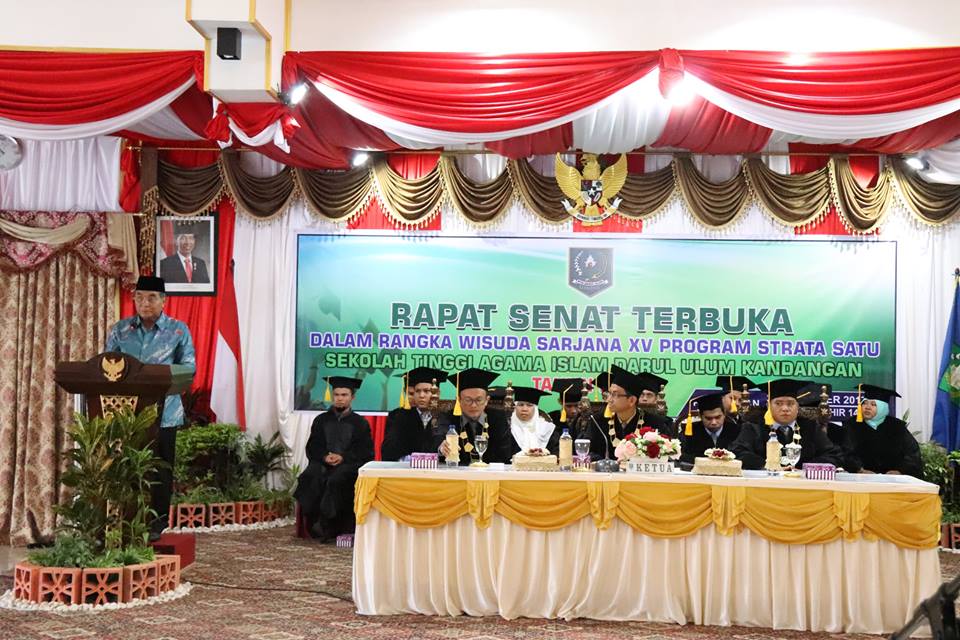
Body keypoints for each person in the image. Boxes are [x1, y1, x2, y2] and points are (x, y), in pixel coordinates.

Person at [105, 276, 196, 541]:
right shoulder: (120, 330)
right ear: (134, 300)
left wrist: (158, 379)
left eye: (152, 297)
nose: (145, 303)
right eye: (140, 297)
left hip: (164, 413)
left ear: (164, 301)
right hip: (125, 414)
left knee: (161, 469)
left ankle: (157, 522)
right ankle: (128, 518)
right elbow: (106, 365)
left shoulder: (178, 331)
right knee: (126, 467)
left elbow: (188, 369)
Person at [294, 376, 374, 541]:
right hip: (323, 462)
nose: (339, 398)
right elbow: (312, 446)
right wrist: (324, 456)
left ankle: (328, 526)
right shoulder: (321, 420)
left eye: (344, 395)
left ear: (352, 397)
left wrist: (343, 457)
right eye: (336, 394)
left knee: (336, 480)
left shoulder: (360, 423)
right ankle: (313, 522)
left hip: (348, 465)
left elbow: (365, 451)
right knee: (309, 477)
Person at [730, 378, 842, 470]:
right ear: (769, 406)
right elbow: (738, 452)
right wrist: (768, 466)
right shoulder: (754, 426)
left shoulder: (810, 427)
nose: (785, 409)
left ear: (797, 407)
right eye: (778, 403)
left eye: (790, 404)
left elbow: (833, 455)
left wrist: (805, 468)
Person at [588, 365, 675, 461]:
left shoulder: (655, 424)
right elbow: (589, 453)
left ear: (631, 400)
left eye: (615, 394)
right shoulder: (597, 421)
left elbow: (667, 457)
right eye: (609, 393)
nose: (609, 399)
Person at [834, 384, 922, 477]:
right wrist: (859, 469)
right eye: (864, 403)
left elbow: (912, 453)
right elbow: (845, 451)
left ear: (882, 408)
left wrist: (900, 471)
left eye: (873, 404)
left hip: (892, 480)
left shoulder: (897, 427)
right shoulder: (851, 425)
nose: (867, 407)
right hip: (860, 478)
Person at [434, 368, 512, 465]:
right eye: (468, 400)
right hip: (459, 474)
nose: (473, 405)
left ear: (487, 400)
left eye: (478, 400)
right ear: (459, 400)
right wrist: (442, 448)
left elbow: (505, 453)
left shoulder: (498, 417)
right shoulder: (448, 417)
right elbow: (440, 438)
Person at [381, 367, 447, 461]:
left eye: (426, 391)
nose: (421, 395)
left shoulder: (446, 416)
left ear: (437, 393)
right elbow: (388, 451)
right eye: (417, 391)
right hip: (406, 470)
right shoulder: (398, 416)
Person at [679, 392, 742, 464]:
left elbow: (741, 456)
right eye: (708, 418)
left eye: (718, 417)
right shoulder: (689, 432)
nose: (714, 422)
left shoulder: (736, 431)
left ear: (724, 414)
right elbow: (681, 456)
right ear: (700, 416)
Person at [507, 386, 554, 455]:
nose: (524, 409)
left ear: (535, 408)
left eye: (529, 405)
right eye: (520, 405)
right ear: (515, 407)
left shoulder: (547, 428)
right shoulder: (507, 427)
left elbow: (556, 453)